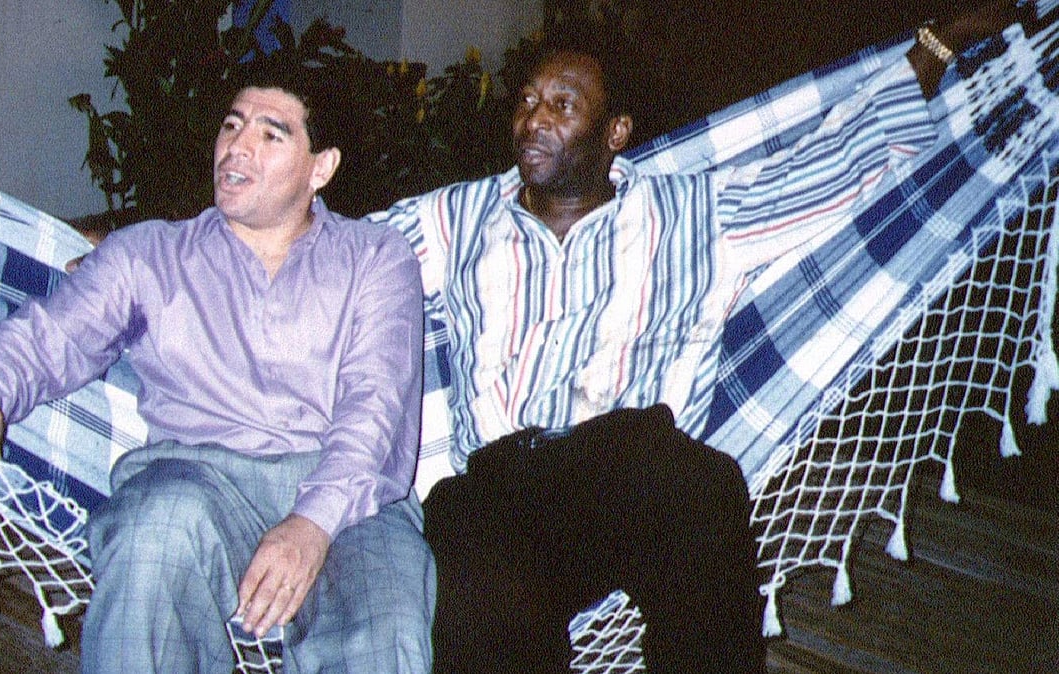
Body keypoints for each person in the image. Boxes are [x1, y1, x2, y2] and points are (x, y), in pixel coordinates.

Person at [365, 2, 1031, 672]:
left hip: (629, 466)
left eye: (563, 105)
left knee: (705, 487)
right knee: (478, 602)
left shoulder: (692, 213)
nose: (535, 120)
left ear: (616, 131)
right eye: (528, 101)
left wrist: (940, 44)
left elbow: (834, 163)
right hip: (498, 488)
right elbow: (343, 257)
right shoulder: (457, 217)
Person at [0, 69, 434, 674]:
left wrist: (311, 525)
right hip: (198, 480)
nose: (237, 148)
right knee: (152, 537)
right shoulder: (151, 255)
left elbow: (376, 408)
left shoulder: (376, 259)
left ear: (321, 167)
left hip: (349, 498)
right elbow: (55, 334)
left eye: (270, 135)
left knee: (384, 618)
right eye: (231, 126)